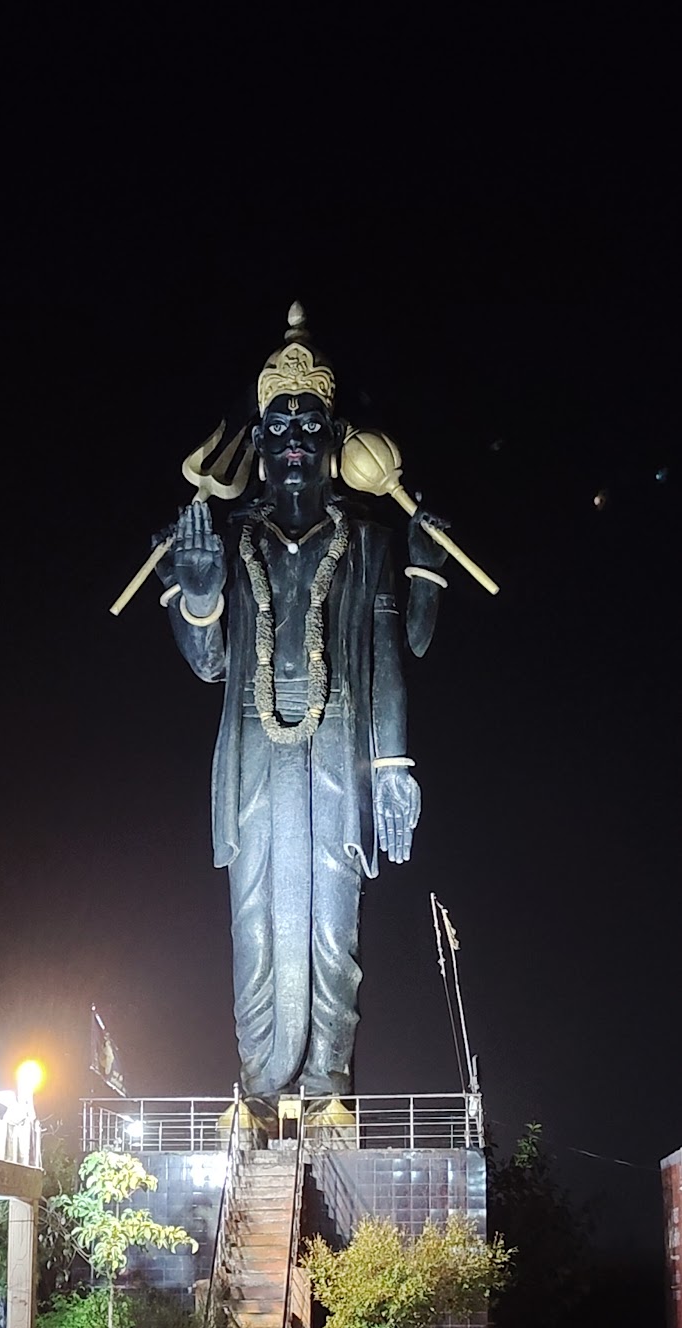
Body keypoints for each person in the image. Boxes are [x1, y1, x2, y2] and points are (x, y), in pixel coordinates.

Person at [157, 305, 449, 1101]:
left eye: (308, 419)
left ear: (334, 437)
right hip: (252, 746)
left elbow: (396, 657)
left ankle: (325, 1093)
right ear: (256, 440)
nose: (292, 434)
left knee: (332, 929)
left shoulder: (366, 543)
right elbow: (208, 662)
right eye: (277, 420)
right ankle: (257, 1092)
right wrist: (201, 594)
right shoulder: (226, 539)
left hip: (339, 740)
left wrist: (393, 766)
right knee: (253, 925)